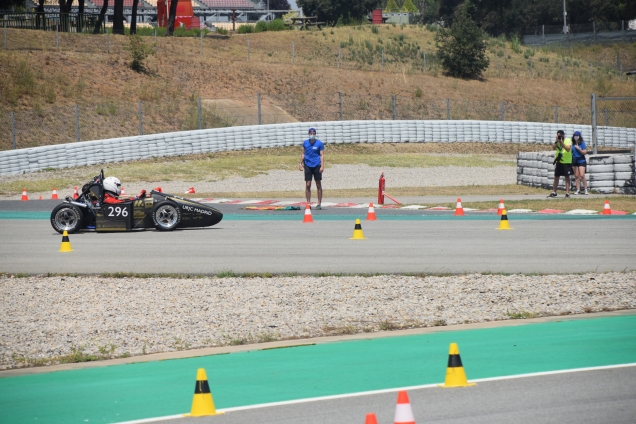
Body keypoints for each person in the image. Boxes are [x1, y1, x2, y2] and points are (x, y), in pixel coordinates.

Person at [298, 127, 324, 209]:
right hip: (308, 165)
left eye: (313, 133)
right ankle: (308, 203)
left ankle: (319, 203)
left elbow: (321, 155)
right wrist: (300, 163)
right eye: (311, 133)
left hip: (316, 165)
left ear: (315, 134)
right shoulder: (305, 143)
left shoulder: (319, 143)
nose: (312, 135)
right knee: (308, 184)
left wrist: (322, 166)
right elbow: (303, 153)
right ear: (309, 134)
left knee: (318, 184)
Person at [548, 129, 573, 198]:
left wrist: (561, 142)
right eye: (558, 135)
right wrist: (556, 141)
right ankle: (554, 192)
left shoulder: (568, 140)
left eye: (561, 135)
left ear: (563, 135)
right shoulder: (557, 141)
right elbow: (553, 148)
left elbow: (568, 149)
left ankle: (567, 193)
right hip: (559, 161)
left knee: (567, 177)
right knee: (556, 176)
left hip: (566, 161)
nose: (560, 137)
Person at [571, 131, 588, 195]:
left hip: (581, 160)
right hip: (574, 160)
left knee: (582, 175)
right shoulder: (572, 144)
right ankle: (578, 189)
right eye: (574, 135)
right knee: (576, 175)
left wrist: (578, 149)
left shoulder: (582, 143)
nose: (575, 137)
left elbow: (584, 152)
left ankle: (585, 189)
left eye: (577, 136)